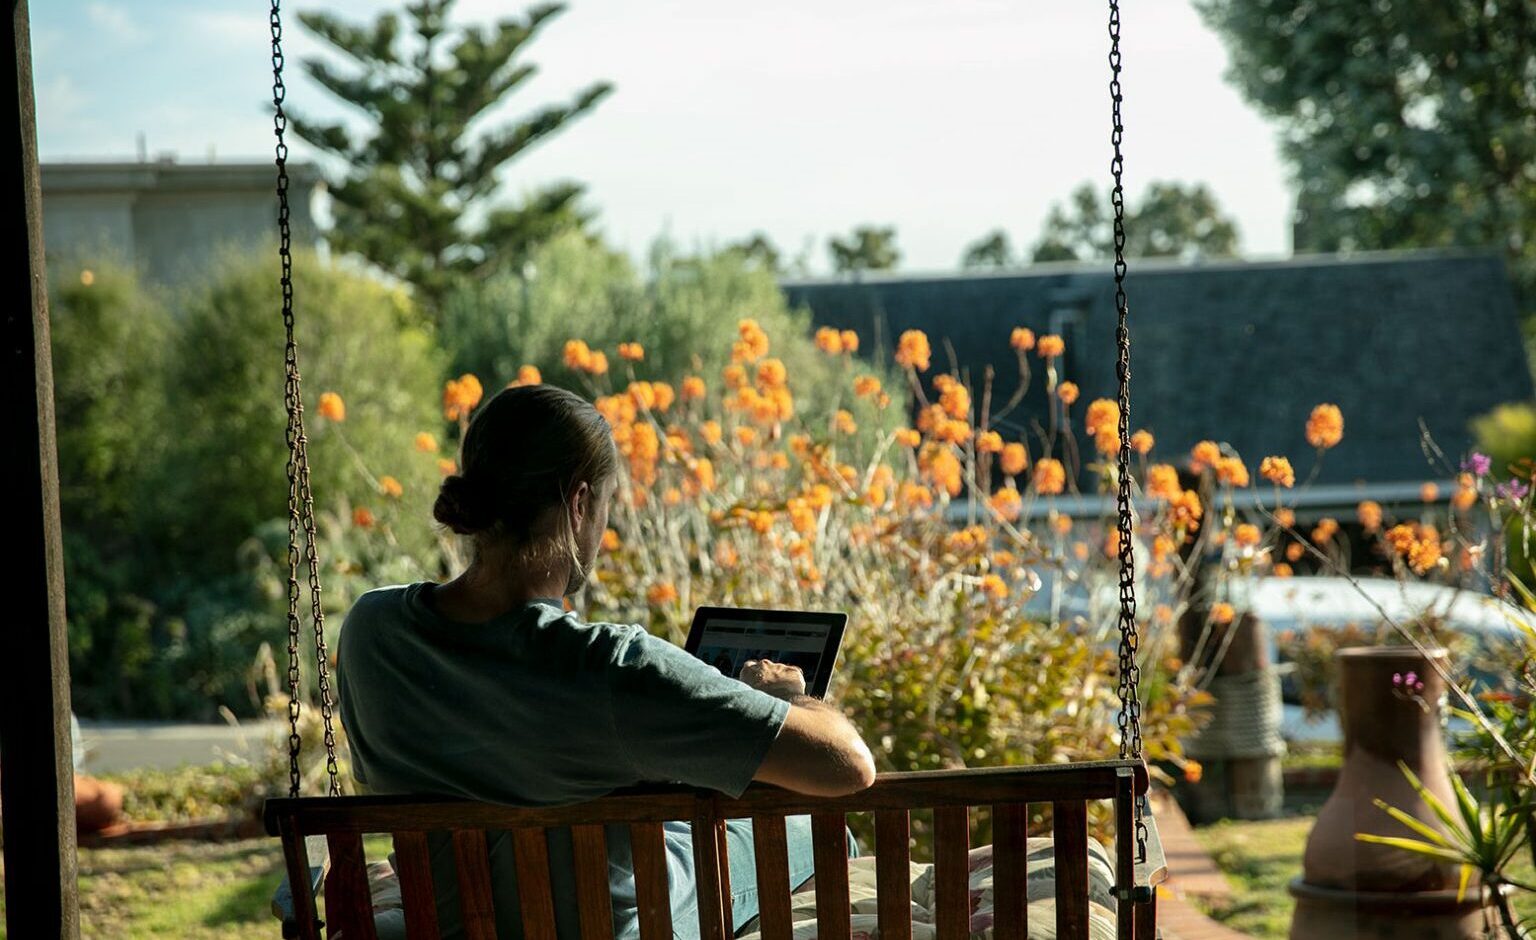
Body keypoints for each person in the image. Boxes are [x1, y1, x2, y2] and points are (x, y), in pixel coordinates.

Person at [337, 384, 876, 940]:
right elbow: (848, 765)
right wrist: (780, 699)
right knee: (811, 826)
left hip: (451, 926)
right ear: (578, 504)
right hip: (615, 923)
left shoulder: (372, 632)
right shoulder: (611, 669)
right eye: (606, 505)